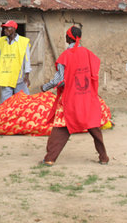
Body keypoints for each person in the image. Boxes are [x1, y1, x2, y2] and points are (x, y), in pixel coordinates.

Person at [40, 26, 109, 166]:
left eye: (66, 35)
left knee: (61, 128)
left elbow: (60, 80)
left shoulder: (65, 56)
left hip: (71, 98)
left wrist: (45, 87)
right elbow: (94, 74)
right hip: (87, 97)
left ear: (69, 38)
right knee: (94, 127)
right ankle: (103, 157)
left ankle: (50, 158)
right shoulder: (89, 54)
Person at [0, 21, 31, 103]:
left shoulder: (23, 42)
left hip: (19, 77)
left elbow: (27, 59)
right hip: (6, 76)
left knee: (22, 101)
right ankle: (6, 116)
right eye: (4, 28)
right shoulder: (2, 42)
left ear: (13, 29)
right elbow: (0, 58)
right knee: (5, 103)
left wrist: (27, 75)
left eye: (7, 28)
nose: (5, 30)